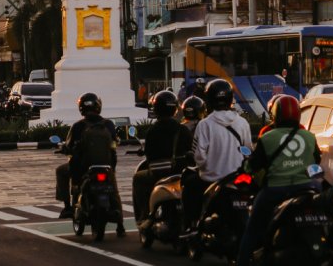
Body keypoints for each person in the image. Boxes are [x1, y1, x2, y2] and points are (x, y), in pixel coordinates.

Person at [237, 95, 321, 265]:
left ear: (275, 115)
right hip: (307, 189)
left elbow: (252, 165)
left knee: (252, 230)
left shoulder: (267, 137)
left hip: (275, 190)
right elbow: (316, 160)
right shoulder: (309, 136)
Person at [182, 79, 252, 232]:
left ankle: (192, 225)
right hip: (237, 179)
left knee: (189, 183)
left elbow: (199, 157)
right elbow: (248, 151)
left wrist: (206, 168)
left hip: (211, 179)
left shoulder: (205, 124)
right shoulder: (242, 123)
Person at [55, 92, 126, 236]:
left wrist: (65, 149)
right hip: (106, 166)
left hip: (83, 168)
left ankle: (68, 206)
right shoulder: (108, 124)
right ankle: (120, 226)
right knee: (114, 190)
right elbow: (116, 142)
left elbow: (68, 146)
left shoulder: (78, 126)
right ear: (98, 106)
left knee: (61, 171)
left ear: (81, 108)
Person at [132, 91, 193, 223]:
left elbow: (149, 154)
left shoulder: (153, 130)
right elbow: (190, 150)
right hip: (180, 171)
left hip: (159, 172)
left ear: (156, 109)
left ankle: (144, 214)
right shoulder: (183, 129)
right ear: (175, 109)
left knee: (138, 178)